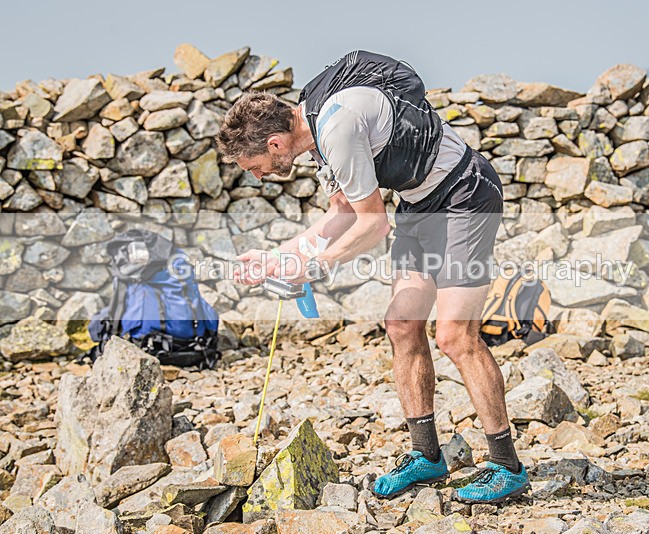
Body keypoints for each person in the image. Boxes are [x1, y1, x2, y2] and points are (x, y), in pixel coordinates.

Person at [216, 50, 530, 503]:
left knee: (455, 337)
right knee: (402, 325)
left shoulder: (336, 127)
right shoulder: (315, 126)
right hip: (421, 204)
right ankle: (427, 458)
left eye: (253, 168)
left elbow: (373, 225)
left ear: (274, 145)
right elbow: (343, 213)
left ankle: (506, 465)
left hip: (465, 193)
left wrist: (314, 266)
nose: (260, 177)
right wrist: (276, 257)